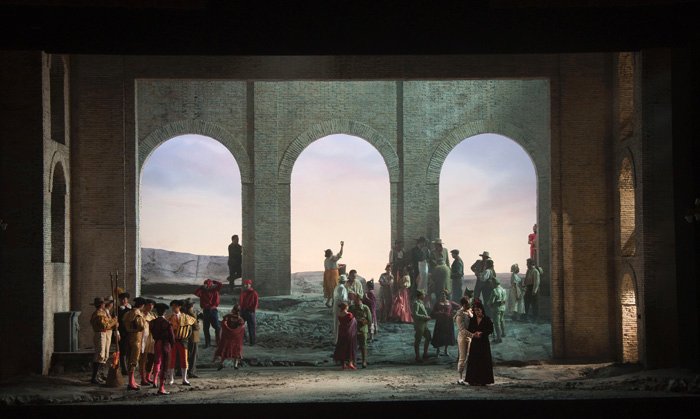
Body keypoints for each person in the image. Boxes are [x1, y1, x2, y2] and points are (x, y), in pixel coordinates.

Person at [166, 299, 197, 386]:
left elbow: (192, 327)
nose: (173, 308)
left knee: (184, 359)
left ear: (179, 307)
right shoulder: (169, 317)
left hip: (183, 341)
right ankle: (171, 378)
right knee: (171, 359)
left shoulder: (186, 317)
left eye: (175, 306)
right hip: (172, 341)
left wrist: (186, 337)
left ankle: (184, 379)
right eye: (172, 306)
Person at [465, 299, 495, 386]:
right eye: (475, 310)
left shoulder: (487, 319)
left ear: (482, 309)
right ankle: (472, 380)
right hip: (475, 342)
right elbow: (469, 329)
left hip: (484, 342)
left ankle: (483, 380)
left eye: (478, 310)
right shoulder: (473, 319)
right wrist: (474, 334)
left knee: (483, 360)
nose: (477, 312)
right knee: (474, 360)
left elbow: (490, 330)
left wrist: (482, 333)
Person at [89, 297, 118, 384]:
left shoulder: (103, 313)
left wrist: (113, 322)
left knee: (104, 355)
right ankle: (94, 377)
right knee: (100, 355)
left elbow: (108, 323)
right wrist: (114, 321)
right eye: (103, 303)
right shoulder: (99, 314)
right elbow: (105, 325)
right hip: (100, 334)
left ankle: (100, 374)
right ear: (101, 305)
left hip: (104, 333)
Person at [122, 297, 147, 391]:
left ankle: (132, 381)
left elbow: (124, 323)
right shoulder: (137, 314)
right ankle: (130, 382)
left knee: (130, 359)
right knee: (134, 360)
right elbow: (141, 326)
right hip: (136, 337)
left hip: (129, 336)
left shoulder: (128, 313)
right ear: (142, 305)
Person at [150, 303, 175, 395]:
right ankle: (161, 387)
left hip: (157, 343)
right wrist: (172, 345)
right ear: (165, 312)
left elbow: (153, 333)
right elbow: (172, 337)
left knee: (157, 362)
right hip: (165, 344)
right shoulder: (167, 323)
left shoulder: (152, 322)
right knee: (164, 365)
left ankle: (154, 380)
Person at [214, 305, 246, 370]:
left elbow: (224, 323)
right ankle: (235, 365)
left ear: (233, 310)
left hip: (227, 336)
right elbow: (240, 329)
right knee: (236, 350)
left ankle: (221, 363)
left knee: (225, 349)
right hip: (235, 337)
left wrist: (228, 330)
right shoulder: (240, 319)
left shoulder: (228, 316)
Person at [194, 278, 223, 348]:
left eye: (206, 284)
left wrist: (214, 281)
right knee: (206, 328)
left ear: (210, 285)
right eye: (204, 284)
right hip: (206, 311)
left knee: (217, 327)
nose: (205, 285)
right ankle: (208, 343)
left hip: (213, 310)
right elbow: (196, 293)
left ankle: (218, 343)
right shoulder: (203, 291)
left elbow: (220, 285)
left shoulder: (214, 290)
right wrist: (201, 287)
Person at [430, 290, 459, 356]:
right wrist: (439, 313)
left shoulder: (450, 302)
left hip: (448, 322)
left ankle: (446, 350)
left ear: (446, 295)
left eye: (444, 294)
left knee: (447, 336)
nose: (443, 296)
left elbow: (458, 307)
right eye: (441, 294)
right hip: (440, 322)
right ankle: (438, 350)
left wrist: (453, 312)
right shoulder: (437, 303)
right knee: (439, 336)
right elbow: (433, 312)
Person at [453, 296, 474, 385]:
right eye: (467, 303)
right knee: (463, 357)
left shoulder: (470, 311)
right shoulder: (460, 314)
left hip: (471, 337)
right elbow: (462, 329)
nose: (469, 304)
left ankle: (470, 377)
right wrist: (473, 335)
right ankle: (460, 378)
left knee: (471, 357)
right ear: (464, 304)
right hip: (463, 337)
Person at [348, 292, 372, 368]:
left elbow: (369, 320)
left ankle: (364, 361)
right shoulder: (351, 308)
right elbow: (348, 318)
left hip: (363, 329)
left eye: (357, 299)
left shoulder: (365, 308)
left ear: (360, 299)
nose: (356, 300)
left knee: (363, 346)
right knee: (353, 346)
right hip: (354, 329)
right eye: (355, 299)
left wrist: (363, 322)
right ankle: (354, 361)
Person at [333, 302, 357, 370]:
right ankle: (350, 363)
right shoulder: (349, 314)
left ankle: (343, 364)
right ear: (346, 307)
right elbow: (353, 321)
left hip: (341, 332)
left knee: (342, 347)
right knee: (350, 347)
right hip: (349, 333)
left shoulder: (339, 314)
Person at [428, 239, 451, 308]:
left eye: (436, 245)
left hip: (444, 271)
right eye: (435, 245)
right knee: (439, 291)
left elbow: (447, 261)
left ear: (439, 245)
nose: (435, 246)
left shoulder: (445, 251)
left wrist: (448, 270)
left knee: (446, 292)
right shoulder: (433, 252)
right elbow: (431, 263)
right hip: (437, 272)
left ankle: (447, 307)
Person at [139, 299, 156, 386]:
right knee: (143, 359)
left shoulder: (152, 315)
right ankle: (143, 378)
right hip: (142, 339)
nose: (150, 307)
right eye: (149, 305)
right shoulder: (140, 314)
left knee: (151, 358)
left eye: (152, 305)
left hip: (151, 339)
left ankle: (148, 376)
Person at [412, 290, 432, 362]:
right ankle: (417, 357)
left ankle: (425, 353)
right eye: (423, 294)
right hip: (419, 325)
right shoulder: (416, 303)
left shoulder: (421, 303)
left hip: (424, 324)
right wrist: (425, 317)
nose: (424, 295)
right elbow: (415, 314)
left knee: (428, 337)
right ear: (420, 295)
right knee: (418, 340)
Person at [323, 241, 344, 307]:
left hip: (327, 275)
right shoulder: (332, 258)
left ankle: (328, 302)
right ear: (331, 253)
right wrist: (342, 246)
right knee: (335, 288)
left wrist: (338, 267)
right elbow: (340, 254)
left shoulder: (326, 260)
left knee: (329, 288)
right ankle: (333, 303)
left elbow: (331, 267)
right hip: (333, 275)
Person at [239, 279, 259, 345]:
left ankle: (252, 342)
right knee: (240, 325)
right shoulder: (243, 293)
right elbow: (240, 302)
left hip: (250, 312)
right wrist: (240, 310)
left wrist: (252, 311)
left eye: (248, 284)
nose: (247, 285)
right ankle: (244, 339)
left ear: (250, 285)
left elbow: (256, 303)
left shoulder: (254, 293)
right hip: (243, 311)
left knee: (251, 327)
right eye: (246, 284)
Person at [185, 300, 201, 379]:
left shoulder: (183, 313)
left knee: (186, 354)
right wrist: (198, 323)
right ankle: (191, 371)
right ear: (191, 306)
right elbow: (196, 326)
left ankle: (182, 371)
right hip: (193, 336)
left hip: (186, 336)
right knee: (193, 355)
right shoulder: (191, 313)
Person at [488, 275, 507, 344]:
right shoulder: (503, 290)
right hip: (503, 308)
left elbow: (491, 302)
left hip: (496, 309)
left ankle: (499, 338)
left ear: (494, 283)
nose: (491, 284)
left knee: (496, 323)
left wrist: (489, 304)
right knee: (502, 320)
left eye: (492, 283)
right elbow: (504, 300)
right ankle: (503, 333)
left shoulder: (494, 291)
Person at [116, 291, 131, 375]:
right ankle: (124, 368)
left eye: (124, 299)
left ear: (127, 300)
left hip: (130, 332)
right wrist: (117, 332)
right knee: (123, 350)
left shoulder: (131, 309)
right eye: (121, 299)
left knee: (130, 350)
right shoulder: (117, 310)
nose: (123, 301)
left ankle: (129, 367)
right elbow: (115, 322)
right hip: (122, 332)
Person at [332, 275, 349, 344]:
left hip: (336, 306)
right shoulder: (342, 288)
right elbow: (343, 299)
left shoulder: (336, 287)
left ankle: (335, 340)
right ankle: (339, 340)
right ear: (344, 281)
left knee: (336, 323)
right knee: (340, 324)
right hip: (340, 307)